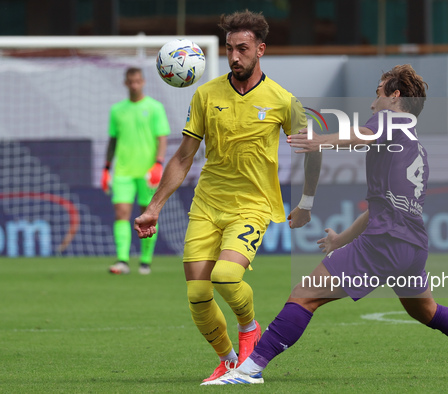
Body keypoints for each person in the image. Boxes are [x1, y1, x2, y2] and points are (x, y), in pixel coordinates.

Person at [203, 64, 448, 385]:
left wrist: (320, 141)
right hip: (413, 246)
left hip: (385, 242)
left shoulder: (390, 119)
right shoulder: (417, 147)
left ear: (395, 95)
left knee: (304, 296)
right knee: (426, 310)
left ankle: (248, 371)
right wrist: (340, 240)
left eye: (377, 94)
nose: (372, 104)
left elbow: (363, 135)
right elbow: (380, 208)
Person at [134, 10, 321, 383]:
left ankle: (250, 329)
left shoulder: (284, 101)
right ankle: (228, 359)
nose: (235, 56)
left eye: (243, 48)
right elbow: (184, 156)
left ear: (260, 50)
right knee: (198, 296)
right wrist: (154, 207)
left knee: (225, 276)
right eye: (230, 49)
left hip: (252, 206)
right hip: (206, 205)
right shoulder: (206, 94)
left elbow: (313, 151)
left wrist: (306, 202)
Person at [102, 67, 170, 275]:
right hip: (123, 171)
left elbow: (162, 138)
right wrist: (106, 168)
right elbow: (113, 140)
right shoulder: (117, 110)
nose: (134, 85)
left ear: (143, 82)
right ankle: (122, 260)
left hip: (147, 171)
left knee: (147, 215)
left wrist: (158, 164)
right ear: (126, 83)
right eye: (130, 82)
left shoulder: (155, 107)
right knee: (121, 213)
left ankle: (145, 262)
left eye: (137, 81)